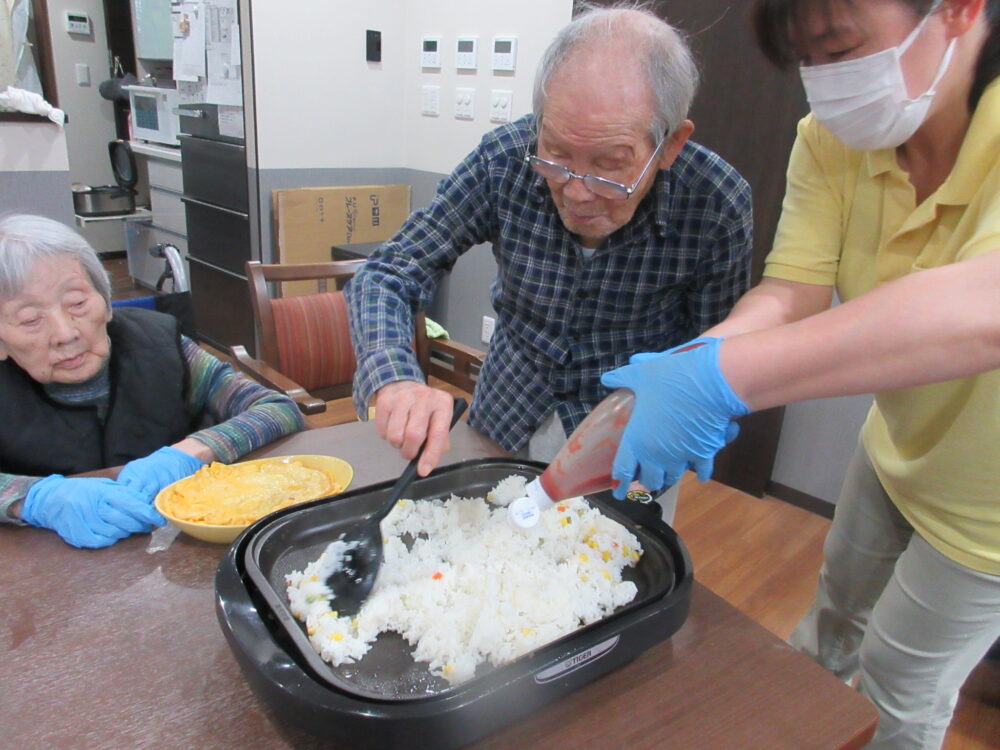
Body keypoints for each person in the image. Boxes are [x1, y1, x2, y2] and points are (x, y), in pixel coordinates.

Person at [602, 0, 1000, 746]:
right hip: (895, 446)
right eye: (806, 61)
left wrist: (725, 381)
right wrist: (693, 365)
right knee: (830, 621)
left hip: (991, 505)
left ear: (959, 9)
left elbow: (985, 307)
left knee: (902, 683)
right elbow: (792, 290)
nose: (824, 85)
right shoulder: (832, 139)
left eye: (841, 47)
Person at [346, 5, 754, 525]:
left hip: (627, 444)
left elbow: (718, 352)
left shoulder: (716, 201)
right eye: (557, 154)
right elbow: (389, 272)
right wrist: (395, 378)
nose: (578, 192)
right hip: (504, 417)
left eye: (610, 166)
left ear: (670, 144)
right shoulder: (505, 158)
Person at [0, 214, 305, 548]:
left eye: (77, 303)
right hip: (43, 570)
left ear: (106, 302)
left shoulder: (160, 345)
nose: (65, 333)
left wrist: (189, 453)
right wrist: (31, 500)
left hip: (170, 555)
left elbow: (276, 408)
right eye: (30, 319)